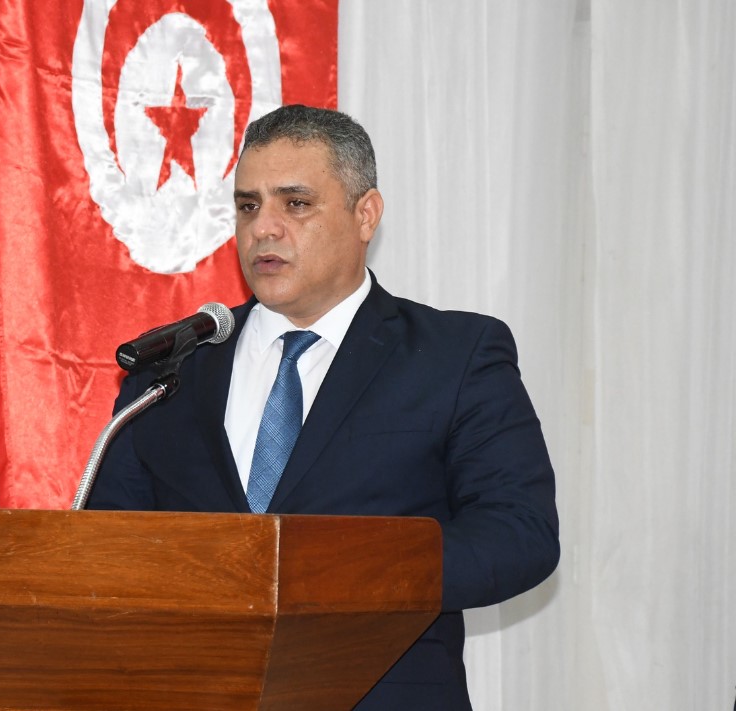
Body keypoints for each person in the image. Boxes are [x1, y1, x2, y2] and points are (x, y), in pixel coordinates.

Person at [86, 104, 559, 710]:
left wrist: (337, 570)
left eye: (296, 203)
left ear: (366, 215)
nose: (264, 228)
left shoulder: (454, 356)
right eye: (248, 206)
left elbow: (518, 534)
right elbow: (105, 550)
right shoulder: (171, 369)